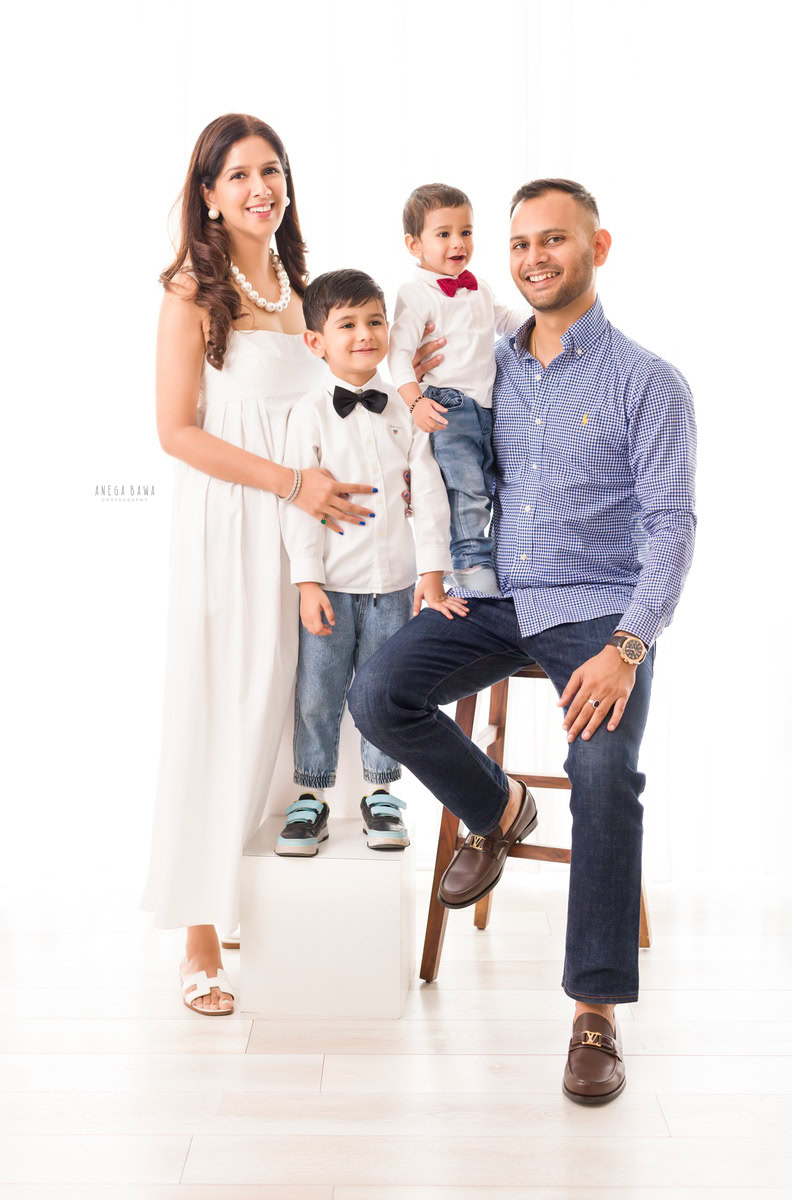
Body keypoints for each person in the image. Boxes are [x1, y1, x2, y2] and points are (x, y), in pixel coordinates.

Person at [349, 179, 697, 1102]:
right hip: (492, 594)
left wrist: (628, 645)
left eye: (555, 241)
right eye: (520, 245)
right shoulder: (486, 358)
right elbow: (409, 400)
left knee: (604, 774)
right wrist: (410, 395)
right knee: (378, 693)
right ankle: (500, 809)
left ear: (599, 246)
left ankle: (595, 1014)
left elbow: (670, 523)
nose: (535, 258)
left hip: (595, 611)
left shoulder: (649, 383)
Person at [140, 114, 445, 1016]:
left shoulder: (302, 285)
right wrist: (290, 483)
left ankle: (265, 898)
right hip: (238, 518)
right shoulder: (193, 293)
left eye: (271, 170)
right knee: (228, 699)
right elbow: (175, 431)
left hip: (321, 535)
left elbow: (348, 383)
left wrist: (409, 373)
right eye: (237, 176)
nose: (259, 188)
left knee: (304, 697)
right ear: (206, 193)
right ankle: (201, 929)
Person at [277, 269, 462, 856]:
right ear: (317, 341)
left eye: (375, 321)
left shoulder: (407, 410)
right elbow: (299, 506)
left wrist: (432, 569)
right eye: (348, 324)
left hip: (396, 583)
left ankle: (382, 792)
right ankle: (311, 795)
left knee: (386, 692)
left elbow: (429, 490)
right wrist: (306, 582)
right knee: (318, 692)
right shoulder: (308, 414)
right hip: (332, 582)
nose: (365, 334)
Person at [387, 184, 527, 594]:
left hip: (486, 407)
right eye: (443, 233)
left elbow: (505, 319)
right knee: (464, 490)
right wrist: (415, 402)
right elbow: (398, 353)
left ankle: (476, 565)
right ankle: (471, 574)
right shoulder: (415, 293)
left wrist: (545, 321)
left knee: (485, 487)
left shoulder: (479, 286)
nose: (458, 242)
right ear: (415, 245)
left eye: (466, 232)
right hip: (448, 403)